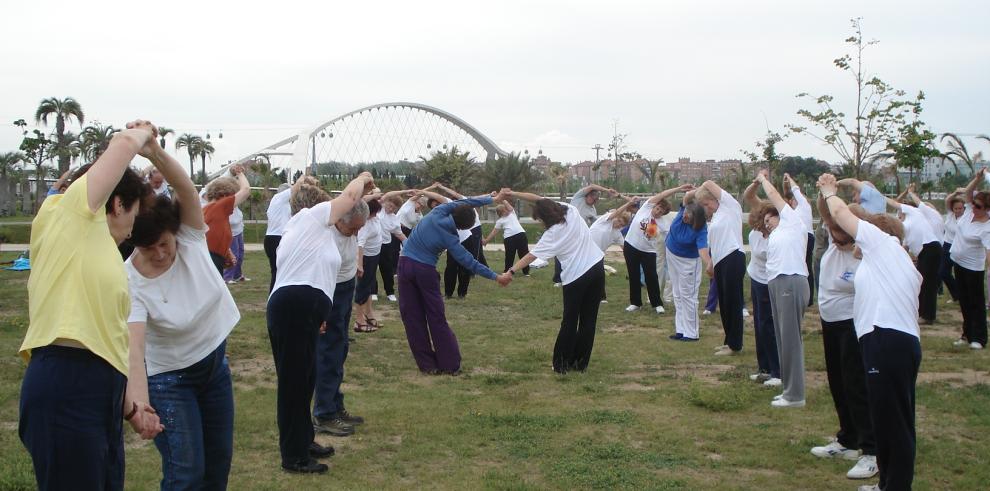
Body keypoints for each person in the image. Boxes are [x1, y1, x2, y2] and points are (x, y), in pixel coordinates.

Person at [19, 120, 161, 490]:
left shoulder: (98, 251)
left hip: (98, 388)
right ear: (116, 203)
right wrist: (143, 134)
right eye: (133, 212)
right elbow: (124, 143)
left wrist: (131, 409)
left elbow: (106, 339)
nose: (133, 226)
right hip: (67, 383)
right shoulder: (70, 216)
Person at [125, 141, 239, 489]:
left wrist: (155, 152)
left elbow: (187, 190)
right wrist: (140, 405)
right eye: (149, 248)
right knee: (187, 473)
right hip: (170, 381)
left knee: (218, 465)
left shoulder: (189, 235)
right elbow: (135, 349)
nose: (160, 254)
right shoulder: (130, 281)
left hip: (214, 365)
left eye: (164, 243)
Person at [818, 172, 922, 491]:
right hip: (892, 342)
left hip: (886, 340)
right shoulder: (893, 261)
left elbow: (839, 214)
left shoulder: (882, 245)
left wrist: (828, 191)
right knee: (888, 418)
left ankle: (895, 485)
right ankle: (887, 482)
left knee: (894, 424)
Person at [267, 172, 375, 474]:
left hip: (304, 310)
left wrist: (319, 314)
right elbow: (351, 198)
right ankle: (294, 456)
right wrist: (362, 178)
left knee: (305, 382)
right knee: (293, 386)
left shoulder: (310, 231)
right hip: (293, 309)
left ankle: (304, 440)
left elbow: (318, 270)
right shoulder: (309, 219)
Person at [397, 189, 513, 374]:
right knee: (436, 317)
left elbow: (469, 202)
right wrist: (496, 276)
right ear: (462, 228)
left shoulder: (439, 210)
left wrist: (493, 199)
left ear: (454, 210)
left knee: (412, 317)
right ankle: (449, 364)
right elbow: (470, 262)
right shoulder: (451, 237)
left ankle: (427, 365)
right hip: (425, 271)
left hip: (403, 265)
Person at [810, 194, 878, 482]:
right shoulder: (835, 244)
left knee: (856, 386)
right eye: (832, 235)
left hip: (853, 325)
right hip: (830, 323)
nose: (835, 241)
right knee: (837, 383)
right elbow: (827, 214)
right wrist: (824, 191)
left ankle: (871, 452)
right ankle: (848, 439)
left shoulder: (865, 253)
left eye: (841, 237)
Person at [507, 190, 606, 373]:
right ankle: (580, 364)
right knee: (588, 320)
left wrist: (511, 271)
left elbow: (530, 256)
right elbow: (539, 198)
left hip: (577, 277)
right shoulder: (571, 211)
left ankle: (561, 365)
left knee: (569, 321)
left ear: (544, 218)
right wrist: (512, 192)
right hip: (597, 268)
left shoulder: (552, 234)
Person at [313, 196, 370, 439]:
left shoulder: (351, 224)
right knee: (328, 354)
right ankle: (324, 413)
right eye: (353, 227)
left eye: (360, 227)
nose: (357, 231)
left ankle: (335, 405)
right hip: (330, 294)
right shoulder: (324, 235)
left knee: (341, 349)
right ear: (339, 221)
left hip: (346, 288)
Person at [755, 170, 809, 408]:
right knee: (781, 338)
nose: (768, 224)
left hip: (790, 280)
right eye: (766, 223)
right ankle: (788, 388)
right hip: (777, 282)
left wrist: (763, 179)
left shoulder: (794, 221)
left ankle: (795, 394)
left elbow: (777, 196)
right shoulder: (780, 232)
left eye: (770, 219)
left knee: (790, 340)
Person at [694, 180, 745, 356]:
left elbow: (708, 182)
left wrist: (699, 188)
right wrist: (711, 263)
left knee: (733, 302)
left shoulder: (730, 206)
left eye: (707, 204)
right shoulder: (716, 217)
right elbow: (715, 244)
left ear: (716, 198)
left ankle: (735, 344)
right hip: (721, 261)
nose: (706, 208)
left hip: (733, 257)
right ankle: (728, 340)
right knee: (724, 303)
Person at [880, 189, 941, 324]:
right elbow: (904, 248)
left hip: (931, 248)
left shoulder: (914, 212)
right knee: (921, 282)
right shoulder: (903, 225)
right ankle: (922, 313)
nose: (899, 212)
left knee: (927, 284)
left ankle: (927, 316)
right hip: (923, 253)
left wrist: (879, 196)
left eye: (901, 210)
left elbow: (894, 203)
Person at [742, 182, 782, 387]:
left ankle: (778, 371)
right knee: (759, 325)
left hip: (771, 283)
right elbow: (748, 195)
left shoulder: (778, 235)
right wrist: (756, 182)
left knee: (770, 326)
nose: (761, 227)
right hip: (757, 281)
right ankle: (764, 368)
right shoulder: (755, 234)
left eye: (763, 223)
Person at [664, 185, 712, 342]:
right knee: (677, 294)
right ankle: (681, 329)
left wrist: (709, 265)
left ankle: (691, 333)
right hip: (671, 254)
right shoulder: (681, 213)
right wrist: (701, 189)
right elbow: (686, 198)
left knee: (688, 296)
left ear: (696, 218)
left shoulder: (701, 229)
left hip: (689, 262)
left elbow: (703, 250)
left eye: (688, 216)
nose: (684, 216)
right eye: (684, 213)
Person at [949, 168, 990, 350]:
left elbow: (988, 251)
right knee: (965, 302)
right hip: (958, 263)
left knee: (976, 304)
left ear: (987, 209)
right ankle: (967, 334)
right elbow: (966, 192)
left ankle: (979, 338)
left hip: (973, 268)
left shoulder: (987, 227)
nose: (973, 207)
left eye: (978, 206)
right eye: (974, 204)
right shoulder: (967, 213)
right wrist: (977, 178)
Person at [623, 187, 679, 314]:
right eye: (658, 208)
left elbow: (658, 235)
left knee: (652, 277)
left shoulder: (661, 223)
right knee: (634, 275)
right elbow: (663, 194)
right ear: (654, 206)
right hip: (631, 246)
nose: (658, 212)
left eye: (661, 211)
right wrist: (679, 188)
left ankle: (657, 304)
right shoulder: (645, 208)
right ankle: (635, 303)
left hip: (648, 251)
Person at [428, 183, 489, 298]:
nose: (435, 207)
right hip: (453, 242)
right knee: (451, 267)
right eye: (432, 207)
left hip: (466, 239)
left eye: (436, 204)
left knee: (465, 266)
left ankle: (462, 293)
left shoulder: (450, 205)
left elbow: (440, 196)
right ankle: (448, 293)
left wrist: (423, 192)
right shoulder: (436, 216)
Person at [202, 167, 250, 275]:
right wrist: (240, 173)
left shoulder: (207, 210)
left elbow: (211, 236)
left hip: (211, 260)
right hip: (211, 261)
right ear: (225, 195)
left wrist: (226, 253)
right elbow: (246, 190)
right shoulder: (219, 206)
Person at [589, 198, 637, 302]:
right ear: (616, 217)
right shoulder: (605, 220)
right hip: (586, 249)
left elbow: (625, 248)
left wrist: (632, 261)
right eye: (619, 220)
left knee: (599, 275)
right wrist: (628, 203)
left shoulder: (618, 234)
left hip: (598, 255)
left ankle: (602, 297)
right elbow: (618, 211)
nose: (619, 224)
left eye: (622, 224)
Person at [783, 174, 816, 306]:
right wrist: (785, 182)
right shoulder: (792, 211)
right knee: (799, 265)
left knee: (806, 265)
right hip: (797, 238)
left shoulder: (804, 205)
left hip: (806, 237)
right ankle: (800, 294)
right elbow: (786, 193)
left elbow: (795, 189)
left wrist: (790, 178)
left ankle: (808, 298)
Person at [354, 198, 385, 332]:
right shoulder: (365, 225)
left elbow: (383, 196)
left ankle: (369, 314)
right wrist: (359, 264)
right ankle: (359, 321)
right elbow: (359, 245)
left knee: (370, 286)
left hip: (374, 256)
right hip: (366, 259)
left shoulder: (375, 218)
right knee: (362, 288)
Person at [377, 191, 411, 302]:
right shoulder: (378, 208)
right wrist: (405, 191)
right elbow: (386, 194)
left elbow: (399, 233)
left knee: (387, 269)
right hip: (371, 244)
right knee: (370, 269)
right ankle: (373, 292)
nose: (391, 209)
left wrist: (409, 244)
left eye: (394, 208)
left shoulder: (394, 219)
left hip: (385, 245)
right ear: (386, 202)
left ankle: (390, 292)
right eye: (390, 205)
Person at [483, 200, 531, 276]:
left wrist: (502, 199)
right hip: (509, 239)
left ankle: (526, 272)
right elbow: (494, 232)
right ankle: (507, 271)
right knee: (509, 255)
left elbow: (508, 205)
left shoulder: (512, 213)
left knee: (523, 253)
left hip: (521, 235)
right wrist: (486, 241)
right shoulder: (500, 221)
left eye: (506, 209)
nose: (507, 210)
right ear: (501, 213)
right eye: (504, 210)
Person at [264, 182, 293, 292]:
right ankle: (274, 293)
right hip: (275, 238)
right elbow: (294, 189)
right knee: (277, 270)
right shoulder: (278, 199)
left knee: (280, 270)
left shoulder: (284, 205)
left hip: (278, 237)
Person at [940, 190, 965, 302]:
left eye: (961, 208)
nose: (958, 210)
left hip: (959, 247)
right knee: (943, 272)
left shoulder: (966, 218)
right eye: (956, 208)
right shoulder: (950, 215)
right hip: (946, 245)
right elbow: (947, 200)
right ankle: (957, 294)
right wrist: (955, 192)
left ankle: (960, 294)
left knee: (960, 274)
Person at [223, 205, 250, 283]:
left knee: (240, 255)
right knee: (234, 255)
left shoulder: (236, 207)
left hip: (239, 232)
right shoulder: (227, 206)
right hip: (232, 234)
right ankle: (227, 277)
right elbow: (231, 221)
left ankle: (237, 275)